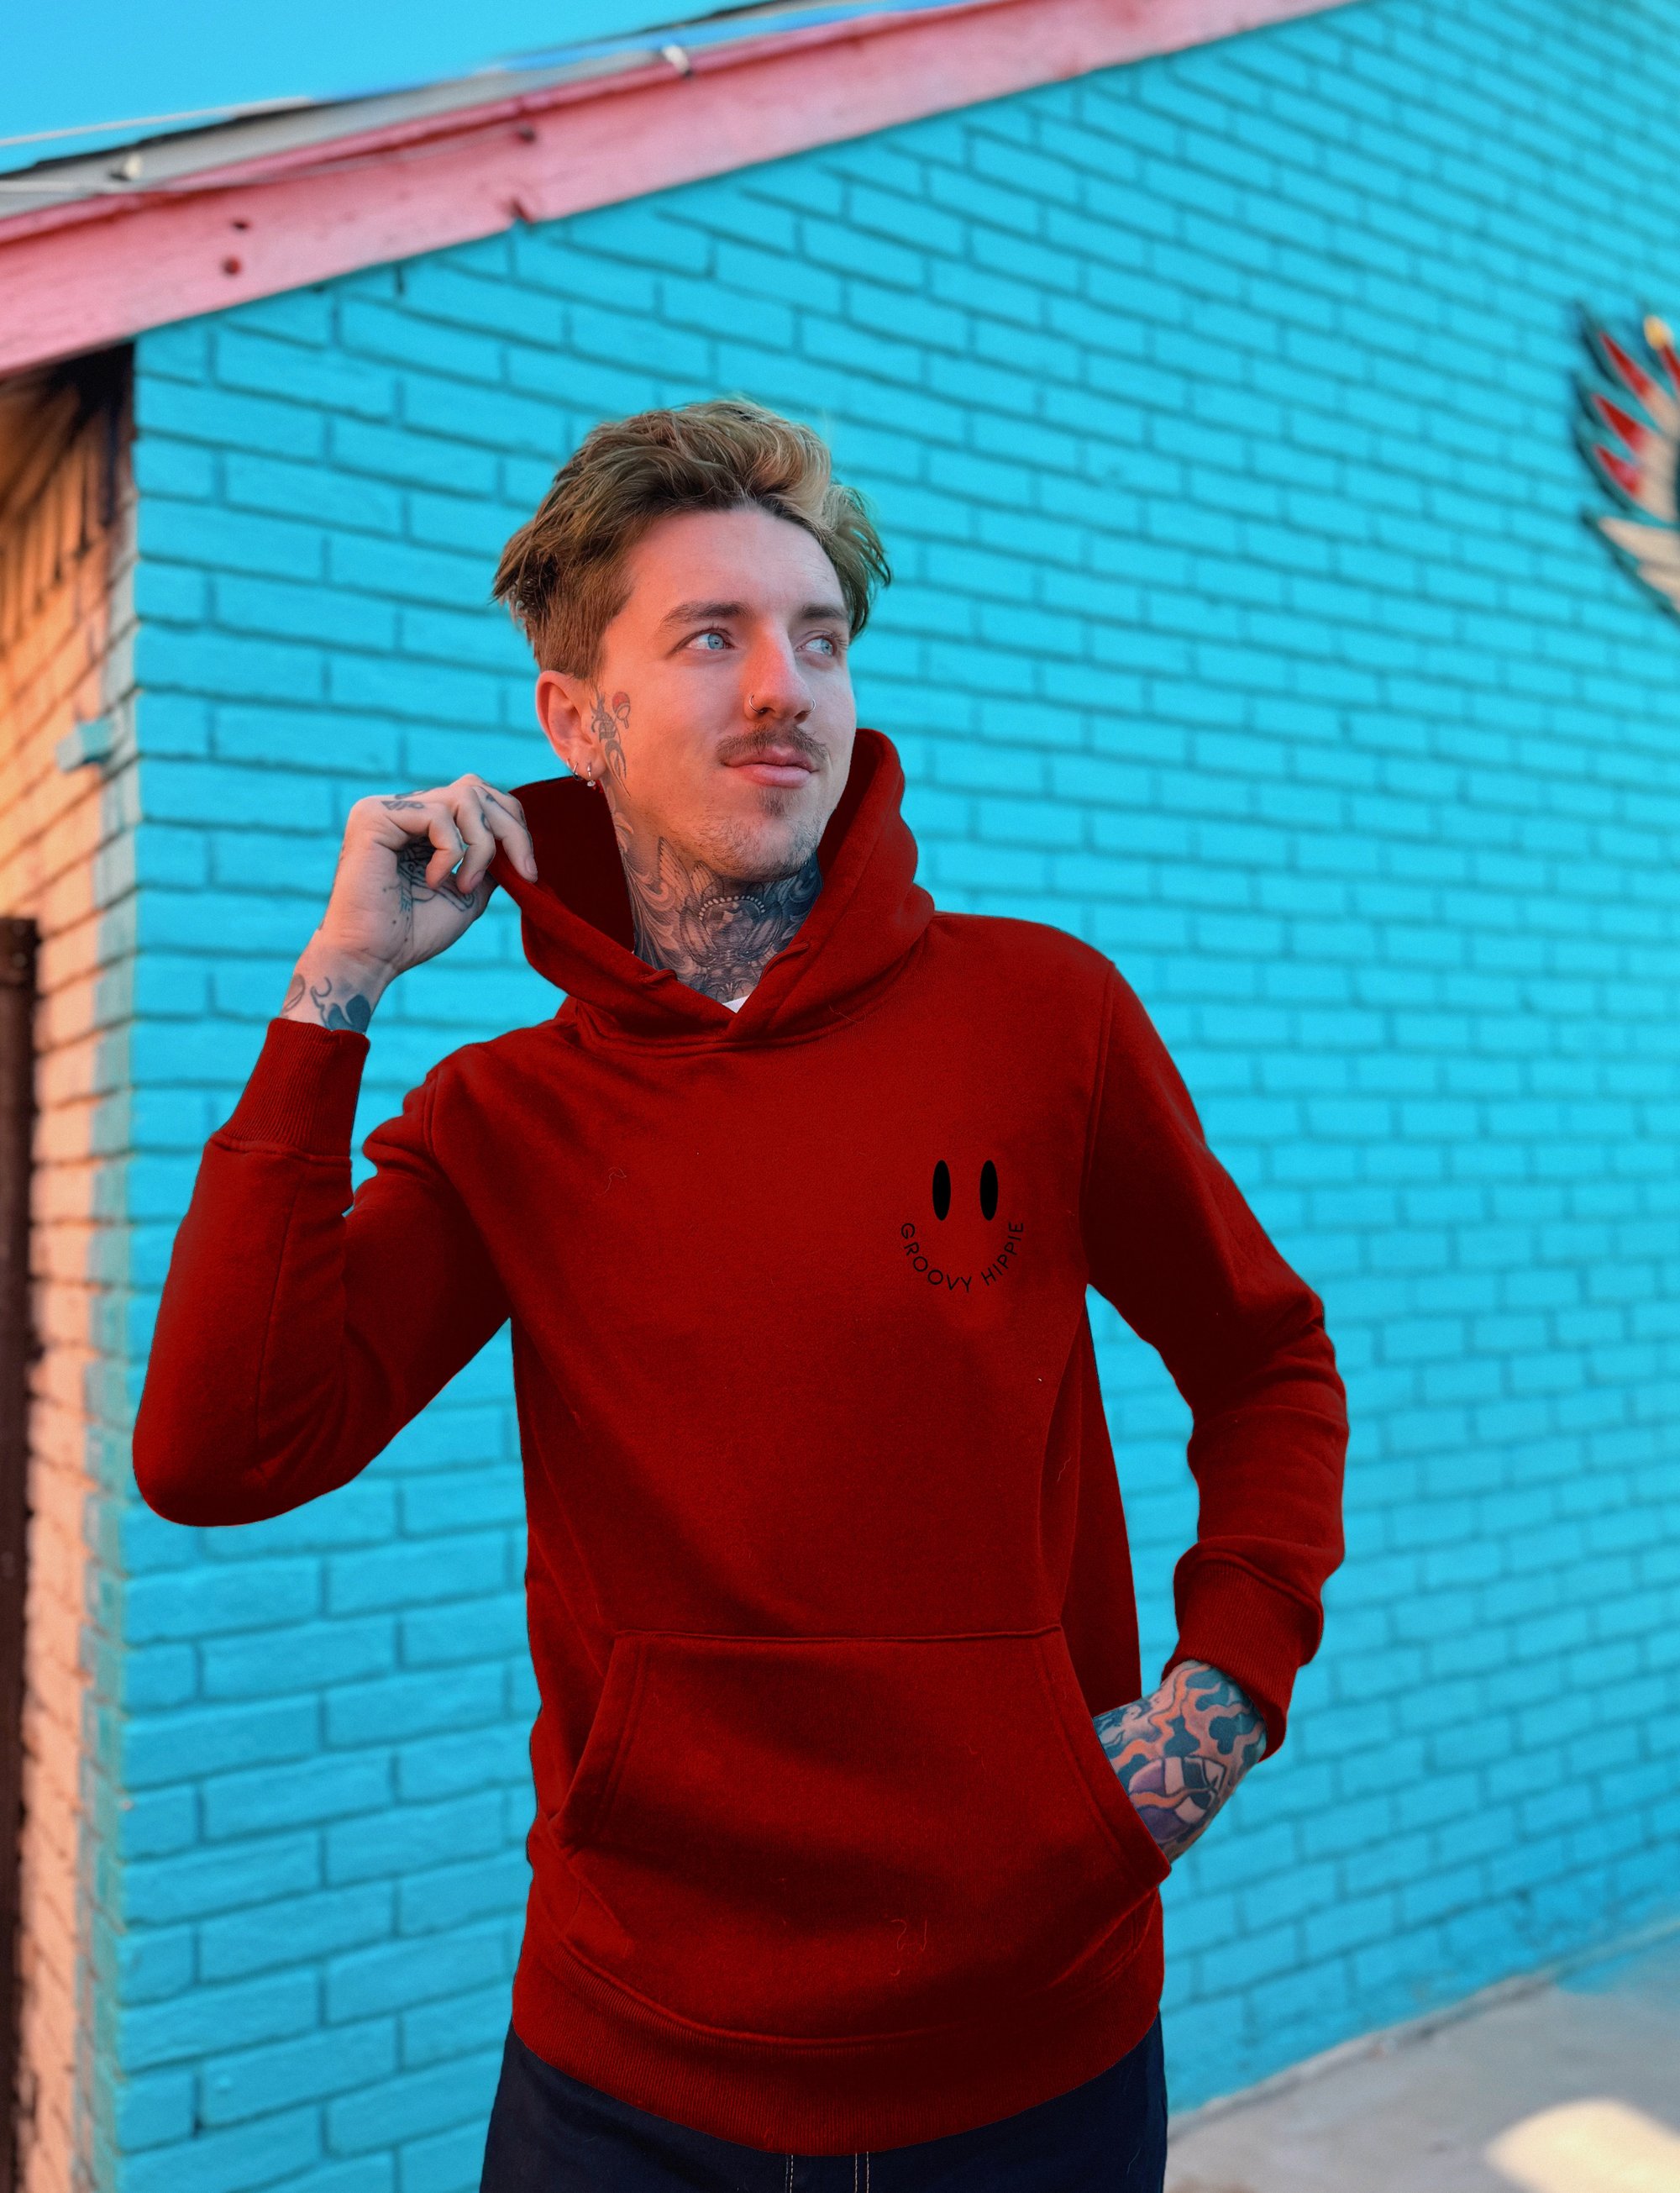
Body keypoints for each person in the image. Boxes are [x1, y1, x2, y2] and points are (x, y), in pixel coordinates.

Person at [134, 398, 1348, 2191]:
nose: (786, 687)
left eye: (818, 637)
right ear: (580, 720)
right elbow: (221, 1451)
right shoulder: (508, 1120)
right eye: (711, 636)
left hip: (1034, 2046)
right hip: (627, 2070)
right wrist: (337, 987)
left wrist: (1220, 1702)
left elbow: (1266, 1360)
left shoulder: (1042, 1019)